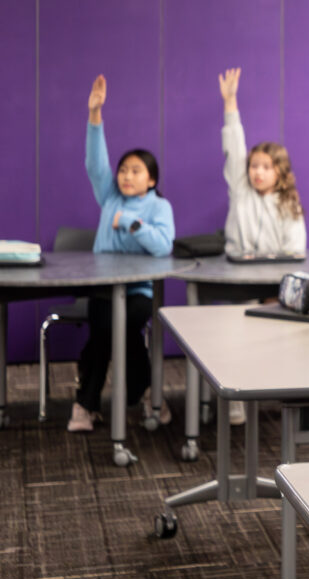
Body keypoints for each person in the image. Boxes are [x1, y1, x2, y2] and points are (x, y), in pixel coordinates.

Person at [68, 75, 175, 436]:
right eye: (124, 170)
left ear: (151, 179)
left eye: (136, 171)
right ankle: (95, 403)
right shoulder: (109, 196)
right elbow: (94, 164)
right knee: (104, 330)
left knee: (126, 325)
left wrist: (129, 222)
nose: (127, 176)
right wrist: (95, 113)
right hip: (102, 288)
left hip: (140, 291)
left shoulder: (159, 207)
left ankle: (132, 395)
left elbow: (163, 246)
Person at [219, 67, 307, 425]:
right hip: (239, 283)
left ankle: (294, 397)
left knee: (288, 329)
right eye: (253, 166)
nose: (256, 172)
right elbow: (234, 145)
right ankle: (236, 396)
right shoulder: (241, 193)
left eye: (265, 167)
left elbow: (296, 252)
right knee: (235, 333)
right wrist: (230, 104)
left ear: (279, 172)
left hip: (274, 286)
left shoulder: (290, 205)